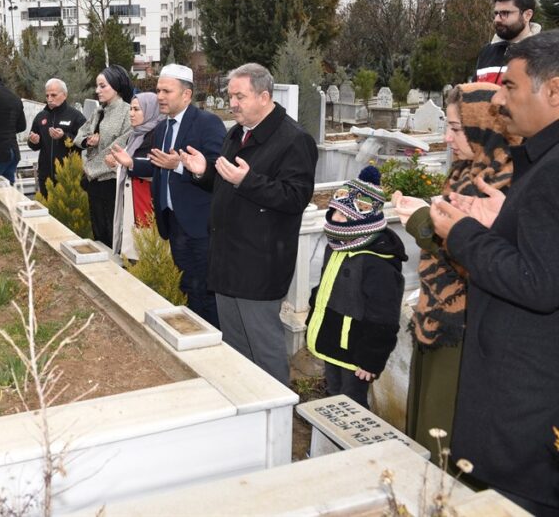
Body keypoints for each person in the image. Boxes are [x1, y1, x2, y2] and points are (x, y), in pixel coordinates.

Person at [429, 32, 559, 515]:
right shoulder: (542, 162)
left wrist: (463, 232)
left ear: (554, 91)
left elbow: (539, 284)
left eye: (511, 86)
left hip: (525, 408)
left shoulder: (553, 170)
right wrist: (501, 219)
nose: (499, 99)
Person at [391, 83, 517, 452]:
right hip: (437, 317)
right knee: (424, 425)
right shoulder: (467, 169)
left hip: (468, 332)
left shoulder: (502, 181)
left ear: (486, 125)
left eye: (457, 128)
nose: (446, 138)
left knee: (444, 434)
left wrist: (423, 222)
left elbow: (480, 260)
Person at [182, 63, 317, 384]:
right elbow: (225, 182)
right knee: (235, 348)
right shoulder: (238, 132)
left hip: (259, 265)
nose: (233, 104)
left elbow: (295, 197)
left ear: (264, 96)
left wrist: (248, 181)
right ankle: (247, 412)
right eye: (230, 96)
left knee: (265, 350)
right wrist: (204, 171)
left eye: (239, 96)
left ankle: (278, 420)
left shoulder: (293, 139)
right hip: (227, 259)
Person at [113, 65, 226, 327]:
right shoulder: (163, 128)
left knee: (205, 294)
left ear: (186, 95)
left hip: (200, 226)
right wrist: (131, 163)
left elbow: (217, 171)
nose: (160, 96)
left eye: (166, 91)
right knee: (187, 287)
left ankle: (212, 345)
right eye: (158, 90)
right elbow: (158, 165)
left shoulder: (207, 123)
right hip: (173, 223)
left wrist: (179, 165)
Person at [306, 166, 406, 408]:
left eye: (344, 216)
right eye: (333, 212)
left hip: (357, 352)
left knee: (352, 403)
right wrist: (313, 317)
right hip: (332, 339)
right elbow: (325, 288)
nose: (334, 219)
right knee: (333, 393)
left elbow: (384, 317)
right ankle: (328, 443)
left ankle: (352, 446)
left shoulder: (377, 261)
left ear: (364, 217)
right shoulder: (338, 245)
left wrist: (371, 359)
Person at [74, 65, 132, 247]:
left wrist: (91, 166)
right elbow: (79, 135)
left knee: (113, 231)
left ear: (116, 86)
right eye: (97, 86)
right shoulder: (98, 111)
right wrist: (87, 142)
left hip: (112, 181)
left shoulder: (127, 112)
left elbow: (120, 146)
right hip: (94, 182)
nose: (97, 90)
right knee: (98, 230)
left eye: (102, 86)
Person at [105, 92, 161, 261]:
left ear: (150, 110)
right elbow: (129, 163)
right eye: (130, 109)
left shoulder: (158, 134)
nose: (131, 113)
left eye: (136, 109)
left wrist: (129, 163)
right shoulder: (135, 134)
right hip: (133, 200)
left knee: (146, 251)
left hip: (146, 203)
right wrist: (119, 164)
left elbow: (157, 166)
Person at [27, 78, 85, 197]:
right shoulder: (41, 117)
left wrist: (64, 137)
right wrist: (34, 141)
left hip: (69, 176)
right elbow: (34, 145)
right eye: (47, 95)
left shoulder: (76, 116)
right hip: (46, 177)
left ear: (64, 95)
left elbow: (84, 142)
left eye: (53, 95)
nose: (49, 98)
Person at [473, 0, 539, 85]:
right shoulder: (487, 52)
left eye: (505, 13)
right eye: (496, 13)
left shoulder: (543, 53)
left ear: (527, 15)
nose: (497, 20)